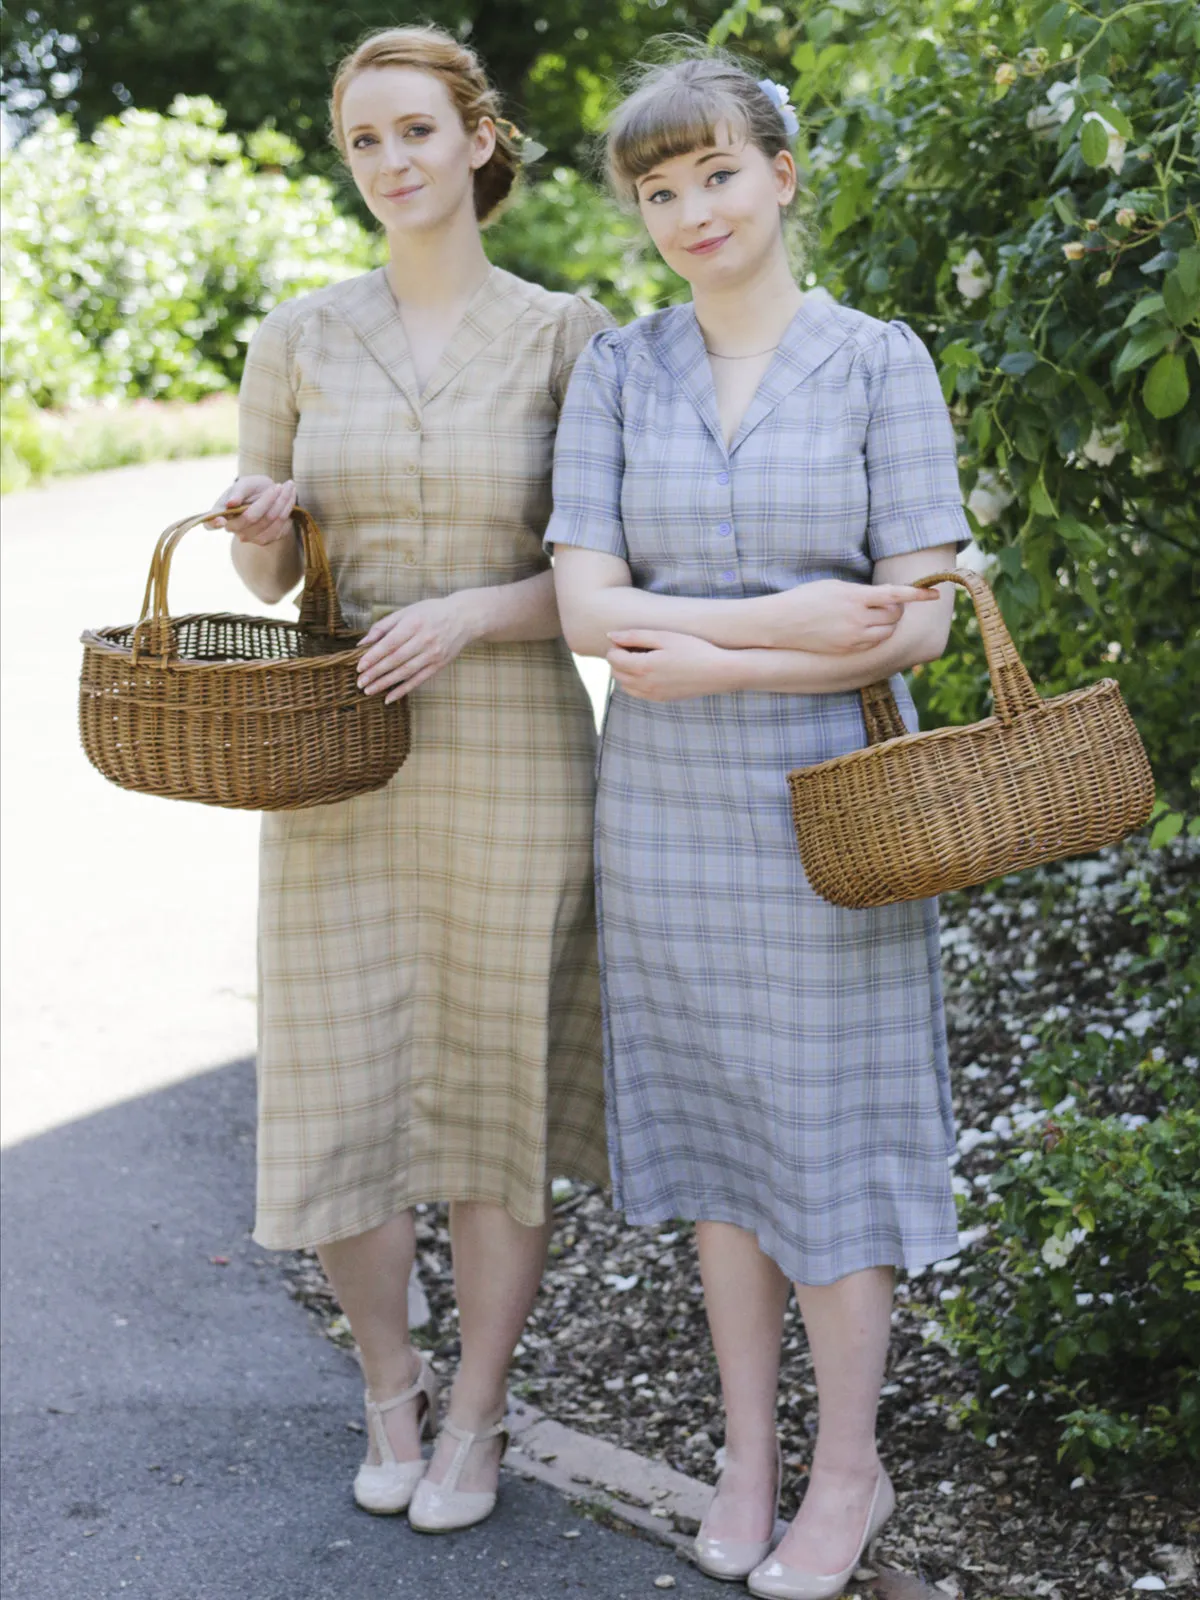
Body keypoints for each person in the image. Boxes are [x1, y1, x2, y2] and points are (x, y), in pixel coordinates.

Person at [547, 54, 969, 1600]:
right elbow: (591, 607)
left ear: (783, 174)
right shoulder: (621, 371)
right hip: (663, 818)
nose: (689, 213)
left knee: (831, 1144)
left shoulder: (877, 362)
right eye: (658, 192)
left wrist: (728, 644)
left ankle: (847, 1471)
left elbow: (916, 621)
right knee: (725, 1139)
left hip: (837, 811)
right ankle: (745, 1457)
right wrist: (802, 613)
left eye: (716, 175)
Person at [209, 24, 609, 1533]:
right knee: (340, 1080)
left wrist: (474, 612)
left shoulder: (569, 337)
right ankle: (391, 1386)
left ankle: (480, 1416)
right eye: (366, 141)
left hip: (512, 744)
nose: (392, 163)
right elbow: (259, 576)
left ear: (481, 140)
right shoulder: (298, 335)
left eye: (418, 133)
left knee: (498, 1085)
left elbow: (608, 581)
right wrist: (263, 517)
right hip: (341, 755)